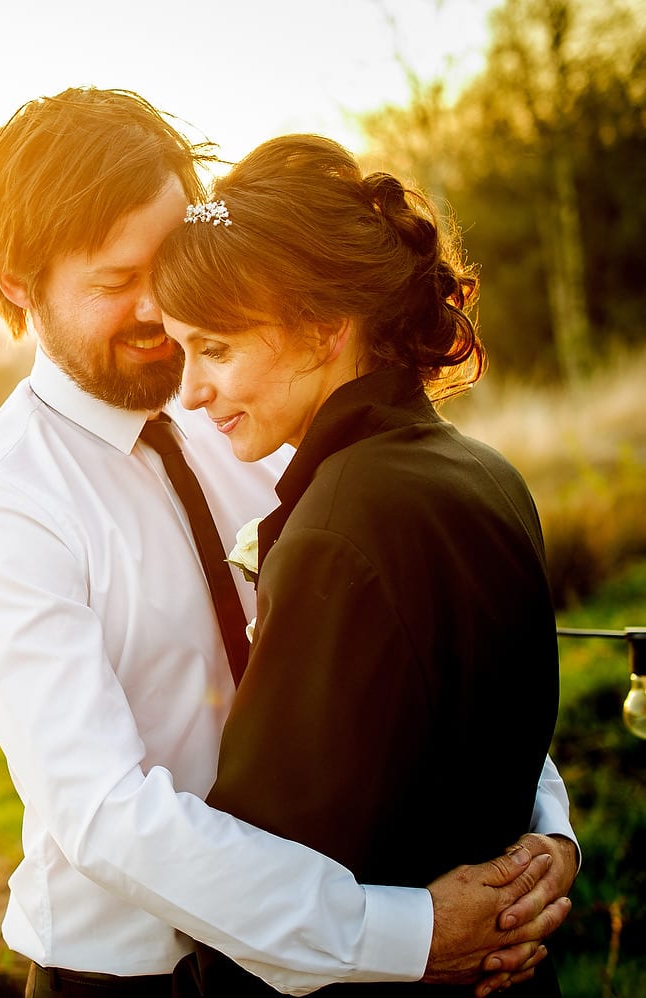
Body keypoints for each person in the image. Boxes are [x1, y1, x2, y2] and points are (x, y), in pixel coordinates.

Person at [0, 88, 577, 997]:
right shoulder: (1, 507)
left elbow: (419, 633)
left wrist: (542, 825)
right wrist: (404, 934)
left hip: (356, 947)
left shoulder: (253, 404)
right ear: (16, 288)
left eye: (174, 261)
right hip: (147, 976)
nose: (162, 306)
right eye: (117, 283)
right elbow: (107, 813)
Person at [150, 134, 567, 995]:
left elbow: (279, 864)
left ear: (322, 329)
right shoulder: (487, 473)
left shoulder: (341, 528)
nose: (189, 391)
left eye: (216, 349)